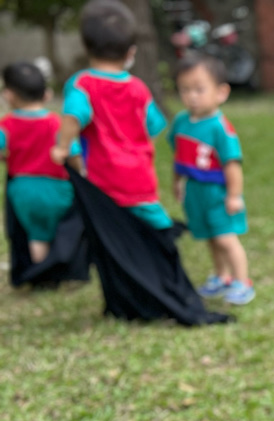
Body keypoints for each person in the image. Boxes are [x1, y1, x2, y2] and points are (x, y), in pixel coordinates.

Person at [51, 0, 172, 231]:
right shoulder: (138, 88)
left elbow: (73, 116)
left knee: (99, 234)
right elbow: (154, 127)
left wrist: (63, 147)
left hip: (102, 183)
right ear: (131, 52)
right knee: (153, 231)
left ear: (85, 46)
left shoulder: (82, 84)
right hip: (140, 181)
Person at [167, 53, 253, 305]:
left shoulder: (220, 127)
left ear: (221, 92)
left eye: (199, 89)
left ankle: (242, 281)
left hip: (217, 192)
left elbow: (232, 164)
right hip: (195, 190)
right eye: (185, 89)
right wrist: (177, 181)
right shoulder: (181, 121)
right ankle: (221, 276)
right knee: (209, 237)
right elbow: (179, 155)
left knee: (225, 237)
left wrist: (234, 195)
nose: (192, 96)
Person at [0, 61, 82, 264]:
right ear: (47, 94)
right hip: (59, 189)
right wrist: (80, 173)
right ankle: (64, 266)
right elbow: (73, 153)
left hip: (23, 190)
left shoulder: (6, 125)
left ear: (9, 95)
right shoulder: (57, 124)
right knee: (63, 229)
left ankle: (40, 269)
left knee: (37, 235)